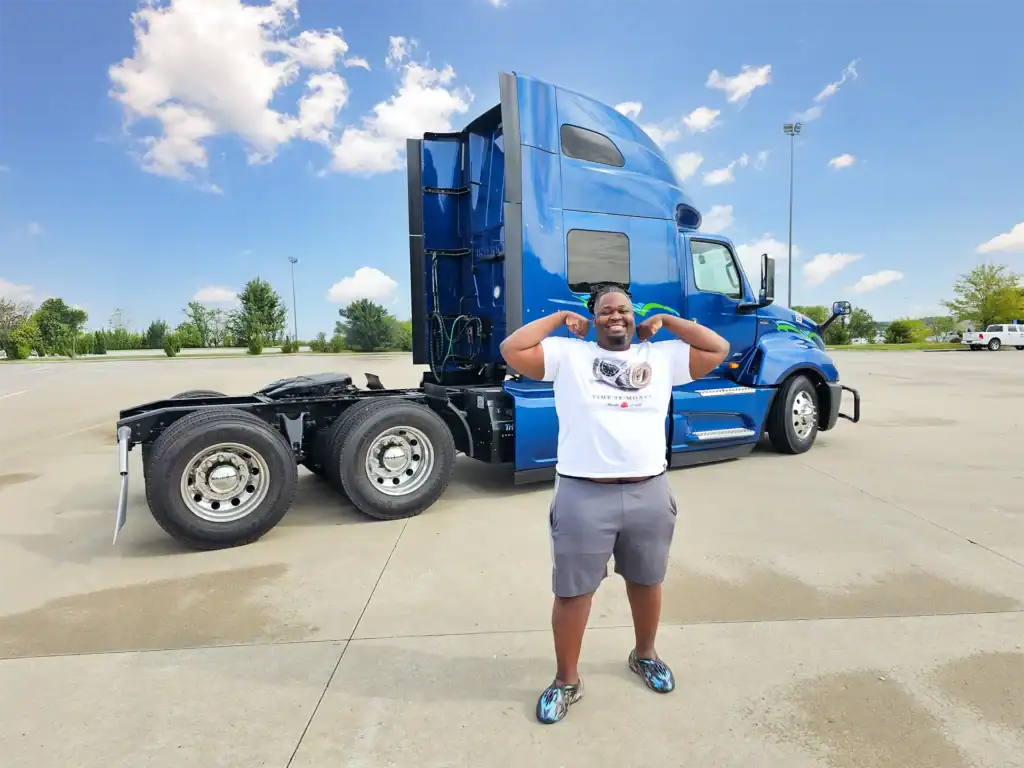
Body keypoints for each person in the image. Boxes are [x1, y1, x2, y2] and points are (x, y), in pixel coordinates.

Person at [499, 283, 730, 725]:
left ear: (633, 315)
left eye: (623, 309)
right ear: (593, 318)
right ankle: (566, 680)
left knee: (647, 581)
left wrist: (666, 320)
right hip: (583, 493)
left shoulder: (660, 357)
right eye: (606, 310)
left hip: (649, 490)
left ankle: (645, 655)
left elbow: (717, 348)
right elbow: (513, 349)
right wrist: (559, 319)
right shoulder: (569, 355)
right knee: (572, 593)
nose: (615, 316)